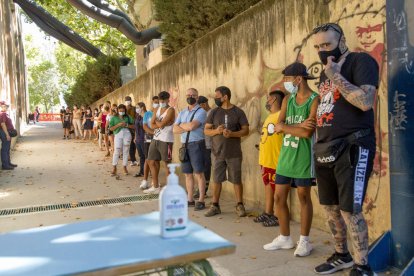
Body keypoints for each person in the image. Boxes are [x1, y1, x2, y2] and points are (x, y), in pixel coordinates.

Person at [312, 23, 379, 276]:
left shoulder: (360, 61)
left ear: (341, 41)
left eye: (327, 45)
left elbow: (365, 102)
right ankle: (342, 255)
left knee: (351, 209)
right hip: (326, 146)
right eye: (317, 46)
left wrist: (335, 76)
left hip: (354, 145)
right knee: (330, 207)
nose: (322, 50)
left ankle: (363, 266)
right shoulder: (325, 73)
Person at [263, 62, 318, 257]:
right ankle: (285, 237)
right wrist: (298, 126)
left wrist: (292, 128)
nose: (285, 82)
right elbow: (279, 126)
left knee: (304, 197)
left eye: (287, 78)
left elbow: (307, 133)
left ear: (298, 79)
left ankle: (304, 241)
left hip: (304, 157)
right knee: (279, 197)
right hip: (285, 156)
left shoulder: (314, 99)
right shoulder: (288, 99)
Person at [204, 86, 249, 217]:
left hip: (234, 153)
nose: (215, 99)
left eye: (217, 97)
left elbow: (245, 130)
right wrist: (216, 131)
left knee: (236, 180)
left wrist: (232, 134)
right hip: (217, 153)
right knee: (217, 180)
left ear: (225, 97)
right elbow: (206, 130)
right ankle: (215, 205)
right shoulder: (213, 112)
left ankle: (240, 205)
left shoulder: (238, 112)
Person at [173, 88, 207, 210]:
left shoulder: (201, 112)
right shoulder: (182, 112)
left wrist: (182, 125)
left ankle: (201, 200)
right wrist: (185, 127)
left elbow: (193, 126)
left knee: (199, 173)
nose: (190, 97)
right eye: (188, 95)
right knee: (188, 174)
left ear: (197, 97)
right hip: (184, 145)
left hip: (197, 144)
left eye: (193, 95)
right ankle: (190, 199)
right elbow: (174, 129)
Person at [255, 90, 285, 227]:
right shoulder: (270, 116)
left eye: (268, 99)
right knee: (268, 186)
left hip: (276, 160)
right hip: (265, 159)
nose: (266, 101)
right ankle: (268, 212)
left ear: (273, 99)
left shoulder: (281, 116)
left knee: (278, 190)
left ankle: (279, 216)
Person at [145, 91, 175, 194]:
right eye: (160, 100)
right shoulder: (157, 109)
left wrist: (158, 123)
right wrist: (160, 123)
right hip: (156, 138)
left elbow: (160, 123)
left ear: (168, 99)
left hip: (166, 140)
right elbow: (152, 125)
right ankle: (156, 186)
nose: (161, 102)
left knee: (167, 164)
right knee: (151, 161)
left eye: (163, 100)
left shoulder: (171, 110)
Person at [139, 96, 159, 189]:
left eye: (158, 102)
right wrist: (153, 132)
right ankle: (145, 180)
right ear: (152, 102)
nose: (157, 103)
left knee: (156, 161)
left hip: (159, 139)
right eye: (155, 102)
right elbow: (145, 127)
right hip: (148, 139)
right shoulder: (147, 114)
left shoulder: (162, 113)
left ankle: (155, 182)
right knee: (148, 159)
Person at [109, 104, 134, 176]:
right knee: (117, 150)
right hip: (118, 134)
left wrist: (126, 125)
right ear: (117, 110)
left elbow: (133, 126)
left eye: (123, 111)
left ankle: (125, 167)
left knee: (126, 150)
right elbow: (111, 128)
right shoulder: (114, 118)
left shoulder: (128, 117)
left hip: (127, 134)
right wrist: (118, 125)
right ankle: (114, 167)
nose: (121, 112)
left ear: (125, 110)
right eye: (120, 110)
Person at [196, 95, 212, 198]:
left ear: (204, 104)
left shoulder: (211, 113)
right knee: (201, 168)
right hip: (202, 144)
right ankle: (201, 189)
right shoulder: (202, 113)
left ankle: (204, 191)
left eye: (199, 106)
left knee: (206, 168)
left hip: (209, 145)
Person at [0, 101, 17, 170]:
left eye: (7, 106)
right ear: (1, 106)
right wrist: (7, 134)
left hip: (7, 132)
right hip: (4, 133)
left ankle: (8, 163)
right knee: (5, 149)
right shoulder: (2, 114)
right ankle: (5, 165)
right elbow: (3, 124)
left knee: (7, 149)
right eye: (4, 106)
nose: (6, 107)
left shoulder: (5, 114)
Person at [133, 102, 147, 177]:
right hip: (138, 139)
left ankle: (148, 172)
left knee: (147, 156)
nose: (136, 109)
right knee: (141, 156)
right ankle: (142, 171)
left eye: (137, 107)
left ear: (142, 107)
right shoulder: (137, 116)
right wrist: (135, 137)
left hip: (144, 138)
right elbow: (136, 127)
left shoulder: (146, 115)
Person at [125, 96, 138, 166]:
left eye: (129, 100)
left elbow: (136, 117)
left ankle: (133, 159)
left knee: (134, 144)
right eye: (126, 100)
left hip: (133, 128)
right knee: (129, 144)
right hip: (126, 128)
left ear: (131, 101)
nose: (127, 101)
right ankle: (132, 159)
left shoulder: (134, 108)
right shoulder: (124, 109)